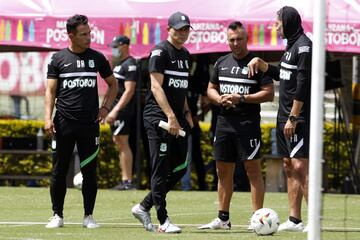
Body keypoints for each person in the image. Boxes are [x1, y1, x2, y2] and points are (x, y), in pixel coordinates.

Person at [44, 14, 118, 228]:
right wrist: (47, 117)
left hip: (89, 125)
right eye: (83, 34)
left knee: (90, 172)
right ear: (71, 35)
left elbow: (113, 85)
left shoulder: (97, 57)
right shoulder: (58, 59)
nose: (88, 38)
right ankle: (57, 215)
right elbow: (50, 91)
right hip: (63, 123)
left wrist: (105, 107)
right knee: (59, 171)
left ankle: (88, 216)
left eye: (89, 33)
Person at [198, 21, 274, 230]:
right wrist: (219, 99)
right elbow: (211, 89)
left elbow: (269, 93)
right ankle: (223, 218)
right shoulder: (221, 62)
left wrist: (241, 98)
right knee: (223, 170)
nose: (235, 43)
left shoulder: (257, 63)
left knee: (253, 170)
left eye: (239, 39)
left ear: (246, 38)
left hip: (247, 124)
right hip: (224, 123)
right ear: (227, 40)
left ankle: (256, 219)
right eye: (231, 39)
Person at [247, 6, 312, 232]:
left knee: (300, 166)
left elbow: (303, 85)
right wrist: (265, 66)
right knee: (288, 165)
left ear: (288, 22)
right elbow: (284, 75)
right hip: (283, 115)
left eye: (277, 22)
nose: (274, 26)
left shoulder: (304, 46)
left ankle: (314, 220)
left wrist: (294, 117)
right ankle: (295, 220)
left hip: (297, 117)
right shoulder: (290, 46)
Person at [131, 11, 193, 233]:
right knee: (160, 168)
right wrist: (171, 116)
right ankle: (163, 220)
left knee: (180, 167)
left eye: (186, 29)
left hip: (176, 118)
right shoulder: (159, 52)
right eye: (179, 29)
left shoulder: (186, 55)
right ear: (169, 29)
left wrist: (185, 112)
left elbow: (180, 87)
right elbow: (156, 87)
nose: (183, 33)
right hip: (159, 118)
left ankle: (143, 206)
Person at [106, 35, 139, 190]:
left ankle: (127, 181)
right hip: (115, 109)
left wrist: (116, 110)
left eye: (116, 46)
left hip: (123, 110)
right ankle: (124, 179)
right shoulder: (120, 64)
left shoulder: (131, 64)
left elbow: (129, 91)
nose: (114, 50)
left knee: (122, 142)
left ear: (124, 45)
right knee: (118, 142)